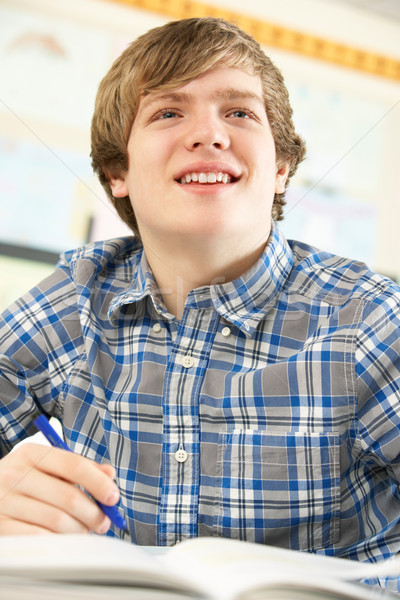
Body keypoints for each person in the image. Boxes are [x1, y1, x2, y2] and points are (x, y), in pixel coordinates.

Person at [1, 16, 400, 590]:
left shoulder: (370, 320)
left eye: (239, 112)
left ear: (281, 168)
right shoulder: (75, 297)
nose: (209, 134)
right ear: (118, 172)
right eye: (168, 112)